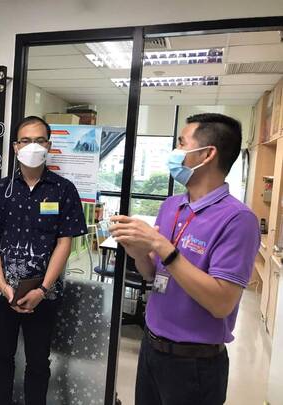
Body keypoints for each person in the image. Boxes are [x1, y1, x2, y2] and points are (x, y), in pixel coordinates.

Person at [109, 113, 260, 405]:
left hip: (195, 364)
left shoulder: (238, 219)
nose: (175, 151)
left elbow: (221, 303)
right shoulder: (171, 206)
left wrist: (161, 245)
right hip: (152, 348)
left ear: (207, 154)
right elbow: (153, 274)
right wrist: (139, 252)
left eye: (181, 143)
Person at [0, 116, 87, 405]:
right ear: (15, 147)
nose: (32, 146)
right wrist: (2, 285)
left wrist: (43, 289)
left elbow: (64, 243)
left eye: (39, 140)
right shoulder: (2, 189)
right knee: (0, 358)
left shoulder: (63, 189)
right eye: (25, 141)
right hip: (2, 293)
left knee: (38, 362)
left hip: (43, 294)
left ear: (48, 146)